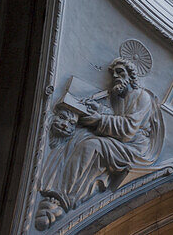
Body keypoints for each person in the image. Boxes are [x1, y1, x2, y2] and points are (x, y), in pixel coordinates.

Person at [34, 58, 164, 230]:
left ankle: (65, 197)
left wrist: (98, 119)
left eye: (120, 72)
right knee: (80, 136)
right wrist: (98, 110)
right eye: (114, 73)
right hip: (123, 143)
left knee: (92, 146)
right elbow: (116, 116)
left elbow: (129, 128)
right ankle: (59, 189)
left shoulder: (141, 96)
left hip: (136, 148)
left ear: (131, 77)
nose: (116, 76)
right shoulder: (120, 97)